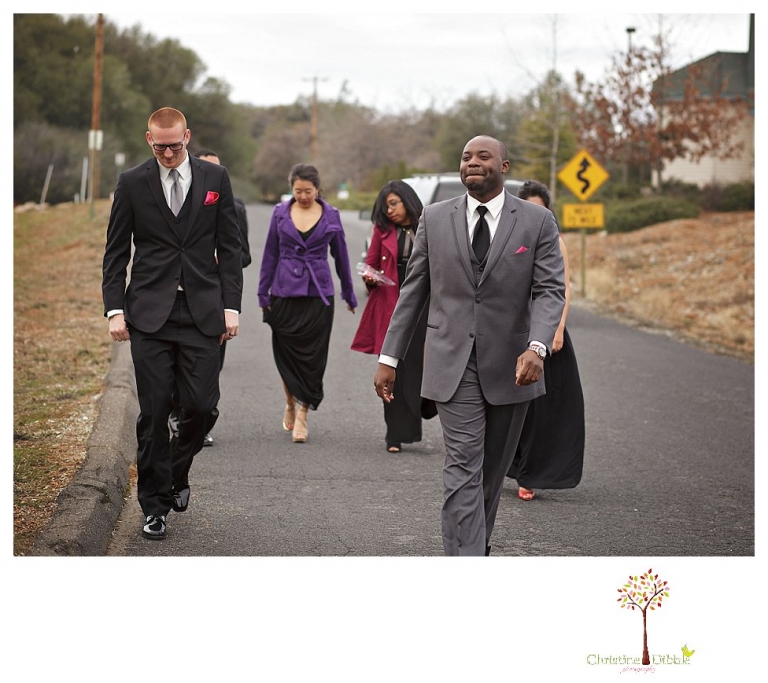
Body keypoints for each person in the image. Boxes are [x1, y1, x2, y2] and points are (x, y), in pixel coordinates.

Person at [373, 135, 565, 556]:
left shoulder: (535, 222)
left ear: (505, 166)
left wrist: (538, 347)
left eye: (483, 156)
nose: (472, 162)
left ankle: (474, 549)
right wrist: (390, 356)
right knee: (462, 467)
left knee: (491, 475)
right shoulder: (436, 218)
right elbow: (413, 291)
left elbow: (550, 290)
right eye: (465, 156)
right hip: (451, 363)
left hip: (514, 367)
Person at [102, 107, 243, 541]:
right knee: (155, 410)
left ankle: (177, 474)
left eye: (175, 145)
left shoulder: (215, 180)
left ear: (188, 136)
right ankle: (155, 504)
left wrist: (231, 307)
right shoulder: (131, 183)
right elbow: (116, 253)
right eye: (160, 145)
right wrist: (114, 310)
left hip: (203, 313)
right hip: (148, 314)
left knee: (201, 407)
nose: (168, 153)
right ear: (149, 138)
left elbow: (230, 247)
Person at [258, 163, 358, 443]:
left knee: (313, 358)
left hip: (318, 294)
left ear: (318, 189)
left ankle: (303, 413)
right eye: (298, 191)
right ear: (291, 188)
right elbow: (269, 255)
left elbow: (342, 258)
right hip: (284, 292)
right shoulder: (279, 214)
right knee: (287, 356)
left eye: (308, 191)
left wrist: (349, 294)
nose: (303, 196)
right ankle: (290, 401)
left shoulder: (332, 216)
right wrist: (263, 294)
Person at [167, 148, 252, 448]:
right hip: (175, 295)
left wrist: (218, 262)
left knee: (208, 368)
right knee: (176, 363)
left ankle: (201, 420)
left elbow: (242, 254)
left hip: (213, 297)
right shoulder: (178, 199)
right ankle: (178, 417)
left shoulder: (235, 207)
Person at [506, 180, 585, 500]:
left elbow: (561, 290)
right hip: (513, 331)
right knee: (511, 407)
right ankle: (509, 467)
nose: (537, 214)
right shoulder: (509, 236)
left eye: (542, 208)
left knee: (543, 410)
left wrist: (557, 331)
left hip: (546, 335)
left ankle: (531, 476)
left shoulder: (555, 240)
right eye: (530, 208)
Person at [351, 180, 437, 452]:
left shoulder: (429, 226)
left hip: (426, 306)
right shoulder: (382, 230)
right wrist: (370, 277)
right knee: (393, 368)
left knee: (423, 368)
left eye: (393, 204)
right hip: (392, 306)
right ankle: (395, 434)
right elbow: (372, 263)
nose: (389, 211)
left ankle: (426, 405)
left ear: (407, 200)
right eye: (385, 206)